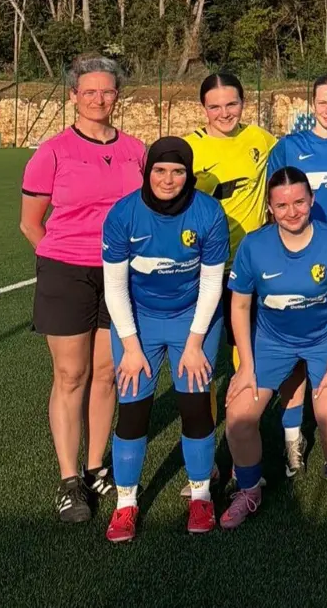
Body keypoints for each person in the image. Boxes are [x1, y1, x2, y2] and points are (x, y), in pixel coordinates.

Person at [20, 54, 145, 523]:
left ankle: (97, 467)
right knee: (71, 375)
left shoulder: (136, 149)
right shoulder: (52, 151)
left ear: (117, 96)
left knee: (107, 372)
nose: (98, 99)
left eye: (107, 91)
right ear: (73, 96)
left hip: (119, 275)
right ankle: (70, 479)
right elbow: (31, 224)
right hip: (66, 273)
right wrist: (64, 259)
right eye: (88, 91)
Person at [100, 137, 229, 541]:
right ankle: (125, 504)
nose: (168, 179)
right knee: (134, 409)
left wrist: (194, 344)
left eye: (178, 171)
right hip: (139, 322)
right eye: (160, 170)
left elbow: (211, 283)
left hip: (193, 320)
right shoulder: (123, 215)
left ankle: (201, 495)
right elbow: (115, 288)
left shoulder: (208, 212)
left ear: (189, 175)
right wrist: (132, 347)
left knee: (194, 406)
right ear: (147, 171)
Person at [220, 167, 327, 528]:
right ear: (270, 207)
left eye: (299, 202)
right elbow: (238, 306)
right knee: (238, 416)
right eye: (282, 205)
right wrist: (246, 367)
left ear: (312, 200)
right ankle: (249, 490)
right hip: (272, 341)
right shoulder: (254, 244)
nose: (292, 211)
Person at [183, 72, 281, 489]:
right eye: (215, 106)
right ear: (203, 109)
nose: (224, 113)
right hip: (202, 271)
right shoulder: (189, 148)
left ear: (244, 102)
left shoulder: (262, 139)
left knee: (245, 362)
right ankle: (205, 463)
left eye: (232, 104)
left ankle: (246, 454)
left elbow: (301, 157)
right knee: (201, 364)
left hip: (249, 269)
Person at [266, 73, 327, 469]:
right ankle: (293, 438)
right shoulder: (289, 146)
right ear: (312, 103)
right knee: (293, 360)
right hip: (292, 262)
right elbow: (270, 206)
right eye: (322, 102)